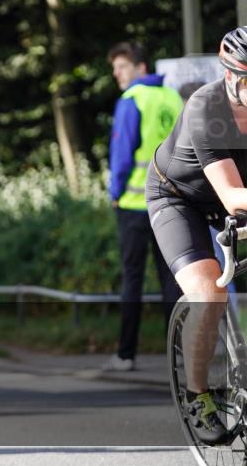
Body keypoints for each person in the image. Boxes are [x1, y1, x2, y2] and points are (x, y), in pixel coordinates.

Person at [149, 26, 247, 445]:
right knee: (209, 292)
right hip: (178, 199)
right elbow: (231, 197)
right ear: (232, 78)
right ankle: (198, 394)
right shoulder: (206, 107)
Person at [103, 42, 183, 372]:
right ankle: (178, 354)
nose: (117, 74)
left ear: (140, 67)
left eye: (121, 67)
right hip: (174, 203)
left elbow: (121, 156)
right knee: (173, 280)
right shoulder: (173, 97)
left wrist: (115, 192)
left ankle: (126, 354)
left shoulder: (131, 100)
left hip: (136, 205)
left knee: (132, 280)